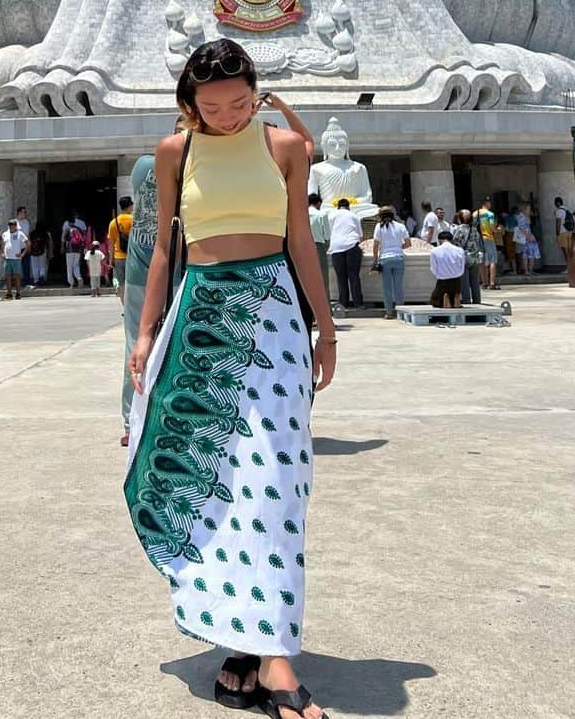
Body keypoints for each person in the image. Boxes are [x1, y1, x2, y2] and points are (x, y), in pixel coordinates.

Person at [125, 39, 335, 719]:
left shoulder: (283, 149)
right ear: (190, 104)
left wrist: (325, 329)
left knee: (275, 479)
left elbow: (301, 239)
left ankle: (271, 654)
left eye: (241, 103)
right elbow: (164, 247)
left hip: (271, 314)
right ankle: (246, 644)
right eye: (213, 107)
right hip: (201, 316)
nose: (228, 116)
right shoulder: (174, 153)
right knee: (207, 475)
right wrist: (148, 330)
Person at [120, 154, 155, 447]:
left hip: (139, 270)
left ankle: (131, 420)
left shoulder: (145, 165)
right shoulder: (194, 167)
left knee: (135, 342)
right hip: (173, 271)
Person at [371, 205, 410, 319]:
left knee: (387, 287)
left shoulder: (379, 227)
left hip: (385, 259)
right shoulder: (400, 226)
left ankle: (389, 312)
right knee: (398, 286)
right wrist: (398, 247)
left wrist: (375, 260)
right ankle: (401, 312)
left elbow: (375, 245)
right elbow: (408, 243)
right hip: (398, 257)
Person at [329, 197, 364, 311]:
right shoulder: (354, 216)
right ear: (349, 206)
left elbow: (329, 233)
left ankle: (343, 302)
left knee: (341, 277)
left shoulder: (332, 215)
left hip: (336, 247)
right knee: (354, 275)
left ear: (338, 206)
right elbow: (360, 236)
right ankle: (358, 303)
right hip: (352, 245)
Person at [451, 209, 483, 305]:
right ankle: (477, 300)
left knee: (464, 282)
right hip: (474, 257)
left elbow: (455, 243)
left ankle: (466, 301)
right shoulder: (474, 229)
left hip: (463, 258)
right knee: (475, 282)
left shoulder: (458, 229)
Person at [429, 230, 465, 309]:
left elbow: (433, 268)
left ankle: (445, 299)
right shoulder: (460, 250)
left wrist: (438, 275)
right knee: (455, 292)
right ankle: (456, 299)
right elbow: (462, 267)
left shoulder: (434, 251)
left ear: (440, 240)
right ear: (451, 240)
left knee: (435, 301)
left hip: (442, 280)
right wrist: (457, 274)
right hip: (456, 280)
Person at [307, 193, 332, 302]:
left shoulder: (302, 215)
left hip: (304, 246)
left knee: (306, 277)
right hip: (318, 246)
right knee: (322, 278)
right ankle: (325, 306)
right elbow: (327, 235)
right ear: (319, 203)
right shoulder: (321, 214)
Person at [108, 196, 134, 296]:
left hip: (118, 257)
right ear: (130, 206)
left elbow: (111, 243)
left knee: (122, 284)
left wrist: (111, 260)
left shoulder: (113, 223)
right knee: (133, 283)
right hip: (132, 256)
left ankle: (125, 308)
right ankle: (132, 308)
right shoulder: (134, 220)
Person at [2, 218, 29, 300]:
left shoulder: (20, 234)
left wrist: (23, 254)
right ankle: (9, 293)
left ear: (16, 226)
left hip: (16, 259)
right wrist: (1, 252)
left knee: (17, 276)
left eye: (13, 225)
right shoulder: (5, 234)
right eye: (10, 225)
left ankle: (18, 293)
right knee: (8, 276)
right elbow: (0, 243)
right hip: (7, 259)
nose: (11, 226)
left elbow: (28, 243)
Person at [61, 211, 88, 288]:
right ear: (74, 221)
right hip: (78, 250)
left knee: (69, 267)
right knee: (76, 265)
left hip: (69, 250)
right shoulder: (79, 229)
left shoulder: (67, 229)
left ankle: (71, 284)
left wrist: (62, 247)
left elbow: (63, 239)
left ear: (68, 222)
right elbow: (84, 239)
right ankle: (79, 277)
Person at [476, 197, 498, 289]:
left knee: (481, 260)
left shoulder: (475, 213)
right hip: (488, 237)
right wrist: (497, 230)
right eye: (489, 203)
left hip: (478, 238)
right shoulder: (490, 214)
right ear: (487, 203)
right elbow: (492, 226)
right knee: (492, 260)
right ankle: (492, 283)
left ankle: (484, 283)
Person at [554, 197, 574, 268]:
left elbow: (558, 223)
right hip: (569, 231)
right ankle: (573, 266)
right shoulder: (567, 209)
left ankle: (569, 268)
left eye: (555, 203)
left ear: (558, 203)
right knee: (570, 250)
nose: (555, 204)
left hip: (562, 232)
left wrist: (557, 234)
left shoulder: (558, 211)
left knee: (565, 251)